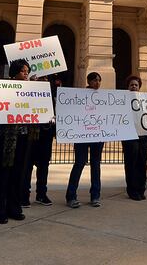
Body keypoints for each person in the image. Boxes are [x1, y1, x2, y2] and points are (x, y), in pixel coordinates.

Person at [0, 60, 31, 224]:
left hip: (22, 136)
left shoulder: (31, 91)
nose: (26, 74)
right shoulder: (0, 89)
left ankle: (14, 207)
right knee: (1, 174)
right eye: (23, 71)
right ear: (15, 72)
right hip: (2, 137)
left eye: (27, 71)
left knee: (18, 174)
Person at [66, 72, 105, 208]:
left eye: (99, 80)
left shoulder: (104, 97)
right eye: (94, 80)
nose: (97, 83)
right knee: (79, 163)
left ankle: (95, 196)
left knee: (96, 165)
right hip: (82, 135)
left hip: (98, 135)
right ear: (88, 81)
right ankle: (71, 196)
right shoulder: (80, 96)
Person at [21, 74, 58, 207]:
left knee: (44, 166)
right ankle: (24, 195)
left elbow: (54, 114)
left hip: (46, 134)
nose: (44, 80)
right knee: (27, 166)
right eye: (41, 78)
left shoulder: (50, 96)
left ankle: (41, 194)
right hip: (30, 134)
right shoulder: (27, 93)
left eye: (46, 78)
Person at [121, 75, 147, 200]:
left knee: (142, 162)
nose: (134, 87)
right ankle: (132, 190)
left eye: (136, 85)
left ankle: (141, 189)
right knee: (131, 163)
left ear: (139, 88)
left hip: (143, 135)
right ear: (128, 87)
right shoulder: (122, 100)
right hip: (129, 135)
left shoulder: (146, 100)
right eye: (131, 85)